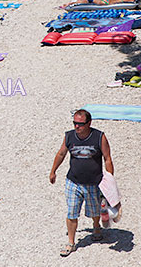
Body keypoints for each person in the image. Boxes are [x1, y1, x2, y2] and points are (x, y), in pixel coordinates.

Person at [49, 109, 114, 257]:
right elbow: (61, 154)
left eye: (80, 124)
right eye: (75, 123)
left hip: (93, 183)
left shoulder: (99, 137)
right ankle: (71, 242)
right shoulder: (69, 136)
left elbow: (107, 158)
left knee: (94, 210)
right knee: (72, 212)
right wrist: (53, 171)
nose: (77, 127)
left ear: (89, 123)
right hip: (73, 182)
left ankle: (96, 226)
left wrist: (110, 180)